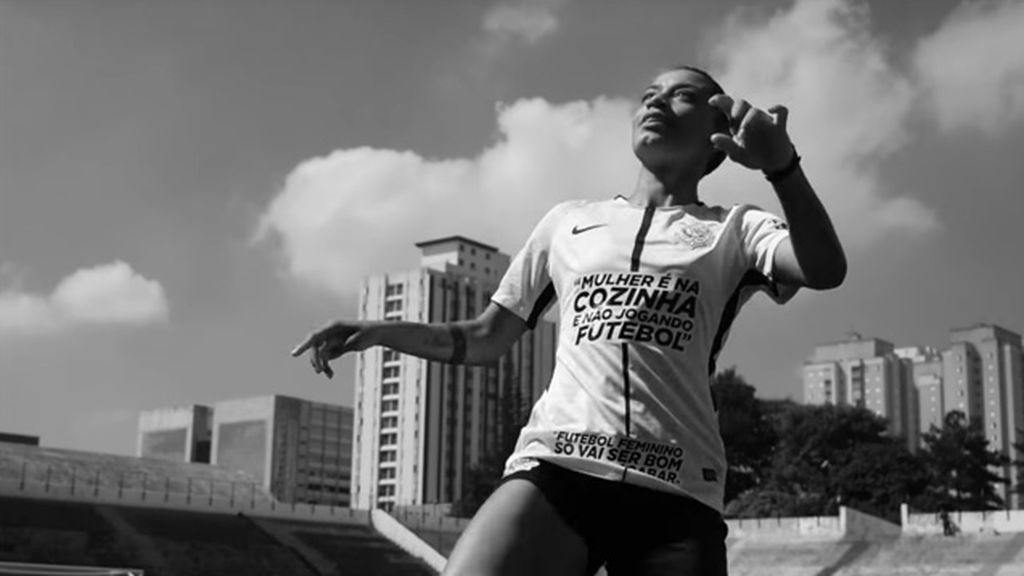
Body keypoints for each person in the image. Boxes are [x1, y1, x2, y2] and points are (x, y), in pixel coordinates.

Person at [291, 65, 846, 576]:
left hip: (677, 490)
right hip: (559, 469)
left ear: (718, 133)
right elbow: (484, 338)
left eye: (683, 96)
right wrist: (382, 332)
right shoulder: (568, 223)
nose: (657, 102)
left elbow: (824, 268)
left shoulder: (738, 228)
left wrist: (782, 167)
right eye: (649, 94)